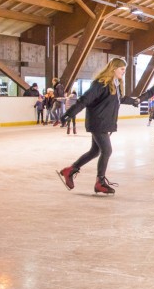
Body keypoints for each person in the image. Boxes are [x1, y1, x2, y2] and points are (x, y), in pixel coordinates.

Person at [56, 58, 140, 195]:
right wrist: (68, 115)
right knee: (107, 151)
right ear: (113, 69)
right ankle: (99, 182)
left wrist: (133, 101)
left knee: (95, 151)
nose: (124, 72)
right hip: (98, 122)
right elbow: (84, 100)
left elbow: (120, 99)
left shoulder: (115, 84)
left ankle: (69, 170)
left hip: (104, 122)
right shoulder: (100, 84)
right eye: (122, 69)